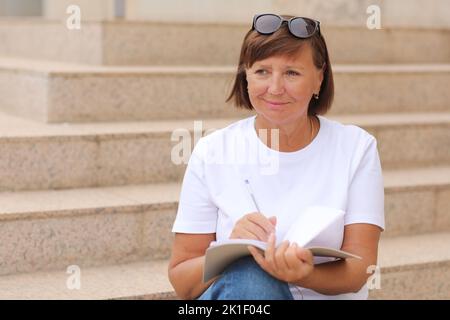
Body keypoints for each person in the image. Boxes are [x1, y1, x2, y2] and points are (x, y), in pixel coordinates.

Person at [168, 14, 385, 300]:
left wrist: (304, 275)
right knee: (250, 275)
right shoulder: (213, 151)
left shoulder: (357, 147)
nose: (274, 88)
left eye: (292, 73)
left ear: (319, 79)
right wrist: (231, 248)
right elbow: (183, 283)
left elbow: (362, 268)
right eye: (262, 72)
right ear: (245, 76)